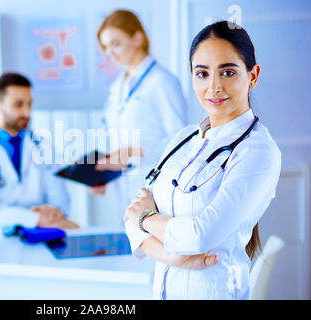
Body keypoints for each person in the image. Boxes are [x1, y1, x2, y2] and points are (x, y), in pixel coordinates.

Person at [124, 20, 282, 300]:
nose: (214, 87)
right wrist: (175, 258)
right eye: (202, 74)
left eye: (228, 72)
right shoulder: (183, 139)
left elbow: (199, 235)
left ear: (253, 75)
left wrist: (146, 218)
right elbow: (128, 217)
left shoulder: (258, 151)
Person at [93, 9, 188, 221]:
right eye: (105, 48)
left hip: (157, 189)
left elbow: (181, 141)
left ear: (137, 38)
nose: (110, 53)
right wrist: (101, 174)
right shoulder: (118, 86)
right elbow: (116, 136)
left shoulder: (162, 82)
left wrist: (137, 152)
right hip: (125, 189)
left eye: (115, 44)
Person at [0, 72, 79, 230]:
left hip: (41, 236)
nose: (27, 112)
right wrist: (34, 218)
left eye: (30, 104)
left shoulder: (44, 146)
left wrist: (54, 211)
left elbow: (60, 199)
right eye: (18, 104)